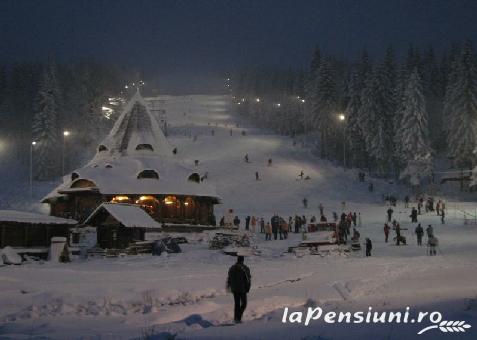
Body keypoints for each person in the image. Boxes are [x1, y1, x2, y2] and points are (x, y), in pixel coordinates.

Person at [227, 256, 251, 323]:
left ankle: (236, 318)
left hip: (234, 289)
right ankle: (238, 318)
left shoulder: (232, 268)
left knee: (237, 304)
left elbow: (229, 278)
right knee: (244, 304)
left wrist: (229, 286)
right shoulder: (245, 268)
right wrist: (248, 288)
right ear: (243, 260)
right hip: (242, 289)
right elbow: (248, 279)